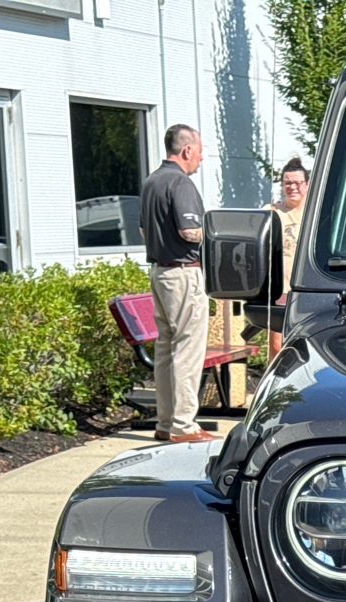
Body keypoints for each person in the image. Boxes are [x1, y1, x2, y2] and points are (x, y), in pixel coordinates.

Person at [138, 124, 215, 443]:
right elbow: (189, 231)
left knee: (167, 349)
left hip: (159, 272)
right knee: (187, 347)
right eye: (198, 150)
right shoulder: (180, 182)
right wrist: (214, 236)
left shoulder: (151, 181)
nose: (200, 157)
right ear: (186, 150)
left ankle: (166, 421)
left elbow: (144, 231)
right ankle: (184, 426)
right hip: (183, 273)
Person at [267, 157, 308, 358]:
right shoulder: (272, 212)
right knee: (276, 345)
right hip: (280, 290)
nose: (292, 187)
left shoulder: (315, 214)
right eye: (287, 183)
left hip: (308, 290)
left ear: (307, 184)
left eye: (297, 183)